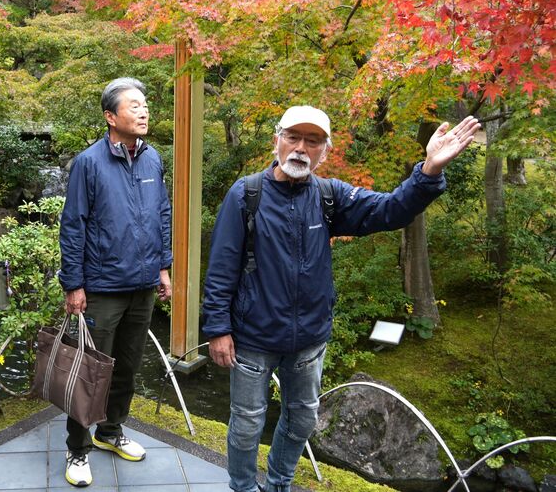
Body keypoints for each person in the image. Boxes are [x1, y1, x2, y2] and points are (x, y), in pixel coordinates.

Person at [202, 106, 481, 492]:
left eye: (312, 141)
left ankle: (278, 484)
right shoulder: (247, 194)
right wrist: (218, 329)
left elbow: (390, 210)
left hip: (310, 340)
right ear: (276, 141)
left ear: (325, 152)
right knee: (248, 422)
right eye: (293, 137)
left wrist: (428, 170)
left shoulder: (329, 196)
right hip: (253, 336)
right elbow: (221, 268)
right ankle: (244, 487)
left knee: (301, 420)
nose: (300, 148)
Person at [58, 77, 173, 487]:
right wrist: (74, 284)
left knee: (127, 366)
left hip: (142, 284)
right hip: (102, 287)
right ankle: (77, 448)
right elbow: (73, 226)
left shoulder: (153, 158)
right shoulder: (89, 163)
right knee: (90, 370)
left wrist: (163, 267)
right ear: (111, 116)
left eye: (145, 105)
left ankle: (111, 431)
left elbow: (162, 214)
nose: (143, 112)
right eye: (134, 106)